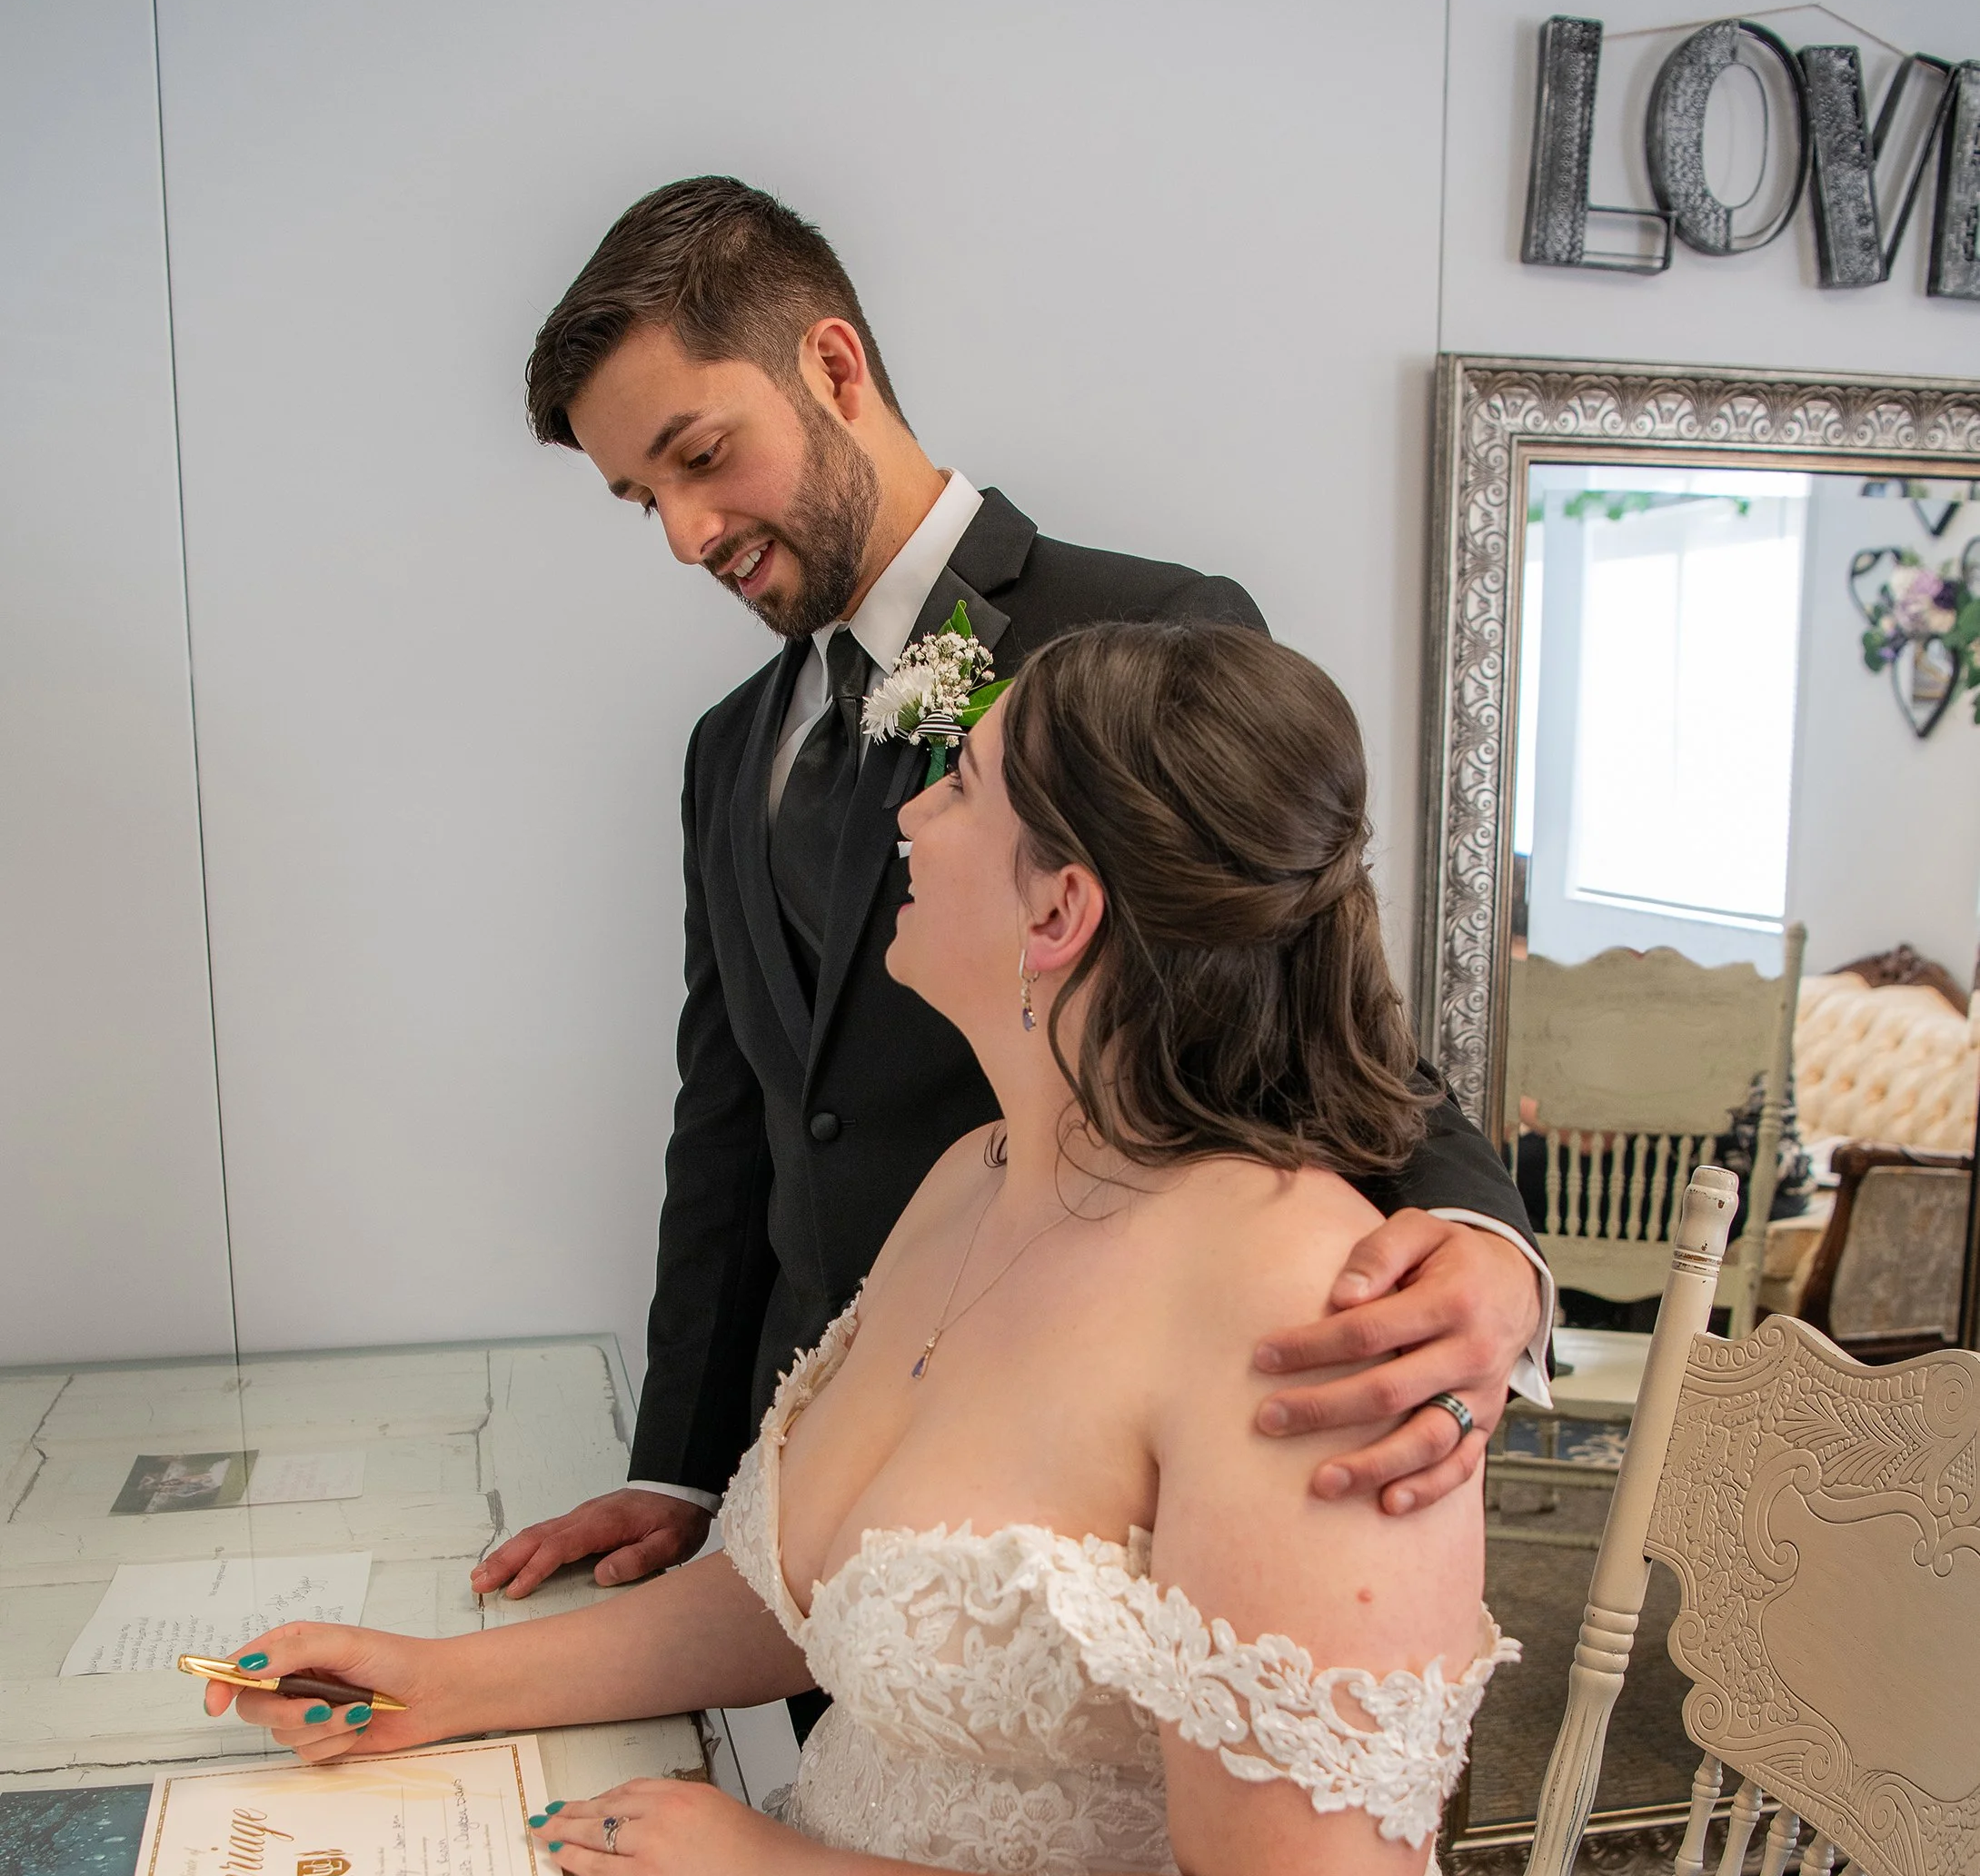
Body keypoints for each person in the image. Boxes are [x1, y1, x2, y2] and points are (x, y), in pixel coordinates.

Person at [205, 623, 1675, 1876]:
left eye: (960, 787)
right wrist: (435, 1683)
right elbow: (790, 1592)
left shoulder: (1306, 1325)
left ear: (1061, 910)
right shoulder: (978, 1180)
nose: (907, 814)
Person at [473, 176, 1550, 1605]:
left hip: (1060, 1491)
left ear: (833, 368)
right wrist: (677, 1469)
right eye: (641, 499)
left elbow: (1308, 1015)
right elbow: (734, 1116)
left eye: (701, 457)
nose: (683, 533)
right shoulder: (727, 748)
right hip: (799, 1495)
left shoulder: (1146, 634)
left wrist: (1482, 1239)